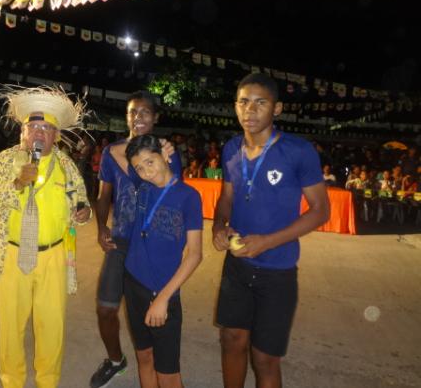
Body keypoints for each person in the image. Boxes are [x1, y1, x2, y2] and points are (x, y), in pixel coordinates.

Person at [212, 73, 329, 388]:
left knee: (264, 358)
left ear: (277, 109)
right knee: (231, 339)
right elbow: (226, 198)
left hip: (277, 272)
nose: (250, 110)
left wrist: (268, 242)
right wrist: (219, 227)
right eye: (243, 102)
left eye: (260, 103)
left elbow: (321, 211)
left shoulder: (298, 151)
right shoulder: (231, 149)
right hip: (237, 267)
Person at [0, 85, 91, 388]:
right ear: (23, 132)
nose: (39, 133)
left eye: (46, 128)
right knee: (10, 329)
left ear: (56, 135)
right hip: (12, 256)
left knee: (51, 327)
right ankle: (12, 382)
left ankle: (47, 383)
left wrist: (84, 213)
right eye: (33, 127)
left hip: (54, 257)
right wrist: (15, 184)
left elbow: (82, 201)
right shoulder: (5, 161)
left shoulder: (67, 166)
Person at [91, 91, 182, 388]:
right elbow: (104, 196)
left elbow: (174, 198)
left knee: (152, 317)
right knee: (106, 309)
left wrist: (166, 160)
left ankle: (159, 368)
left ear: (155, 118)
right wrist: (101, 227)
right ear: (127, 117)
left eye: (145, 112)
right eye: (133, 112)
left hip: (151, 246)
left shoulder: (166, 152)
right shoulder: (111, 152)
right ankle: (116, 360)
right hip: (120, 243)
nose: (138, 117)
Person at [124, 134, 203, 388]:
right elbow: (117, 155)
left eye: (150, 161)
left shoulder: (189, 197)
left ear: (164, 156)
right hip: (133, 284)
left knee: (168, 375)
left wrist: (163, 298)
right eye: (139, 167)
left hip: (163, 293)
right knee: (143, 356)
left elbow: (195, 254)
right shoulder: (142, 188)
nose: (146, 171)